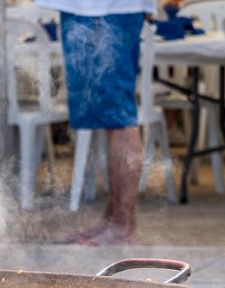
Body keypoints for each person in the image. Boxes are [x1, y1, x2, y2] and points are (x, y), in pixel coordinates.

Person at [36, 0, 153, 245]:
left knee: (119, 117)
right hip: (95, 9)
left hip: (104, 11)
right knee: (111, 115)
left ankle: (123, 228)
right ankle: (113, 221)